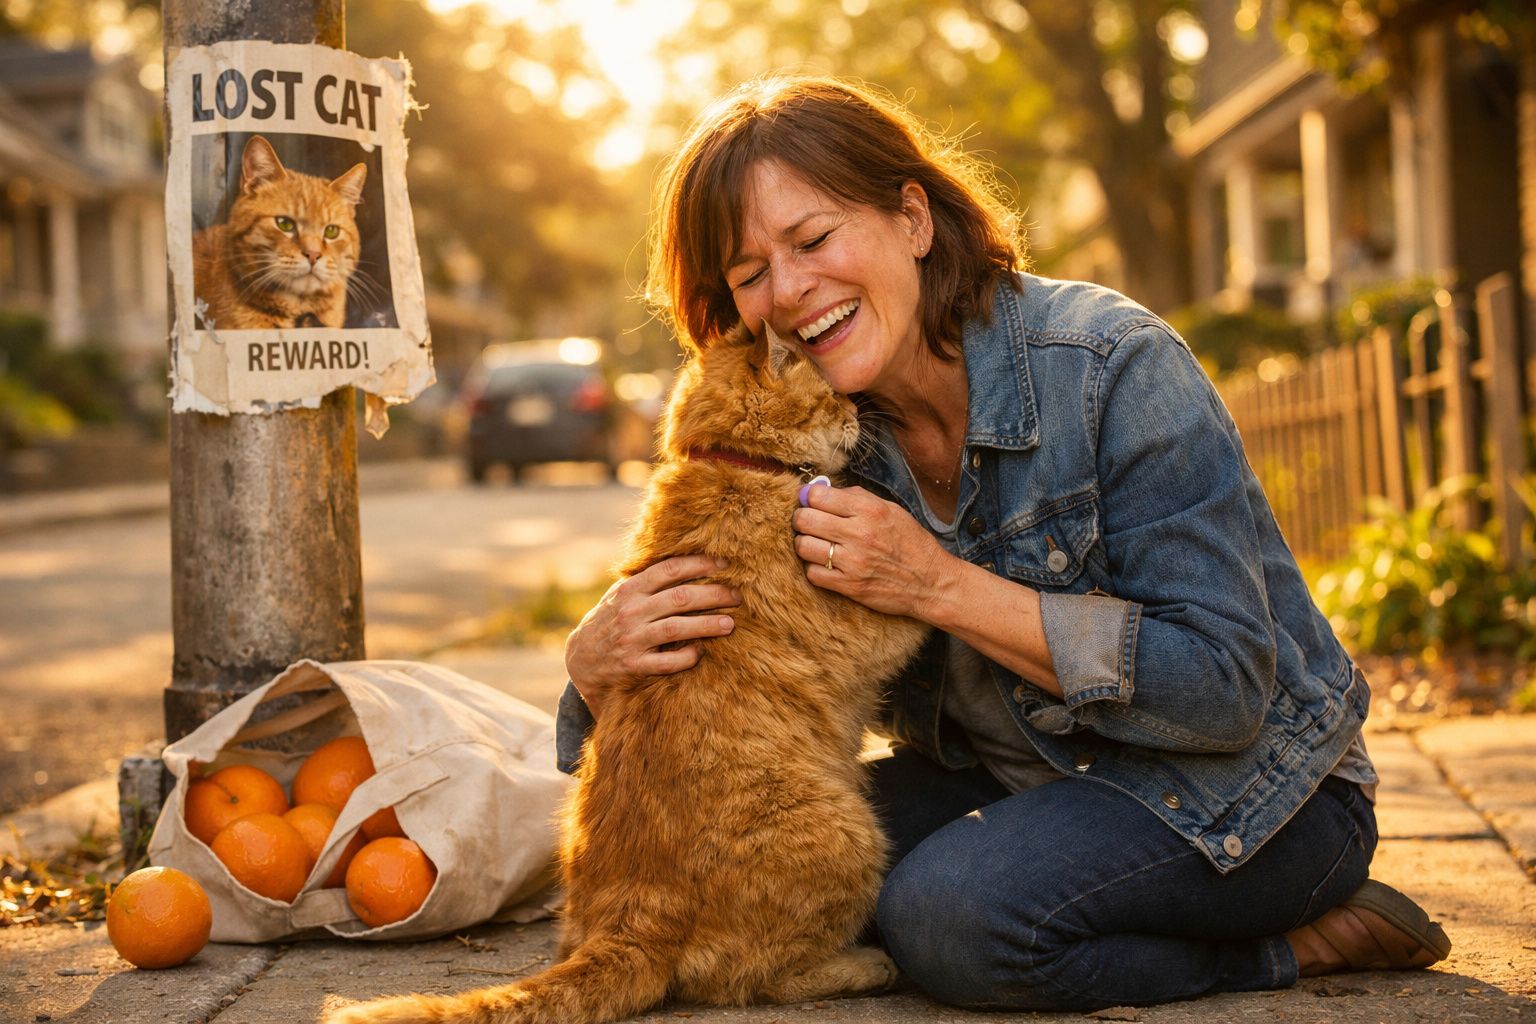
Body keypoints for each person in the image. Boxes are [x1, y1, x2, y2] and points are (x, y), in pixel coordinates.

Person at [557, 76, 1450, 1012]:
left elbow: (1222, 690)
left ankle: (1300, 944)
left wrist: (938, 586)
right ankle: (1056, 888)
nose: (787, 292)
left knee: (952, 922)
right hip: (1025, 778)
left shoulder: (1111, 367)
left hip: (1258, 794)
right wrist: (592, 668)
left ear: (912, 218)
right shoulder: (821, 439)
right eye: (749, 275)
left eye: (813, 239)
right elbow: (712, 735)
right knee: (747, 881)